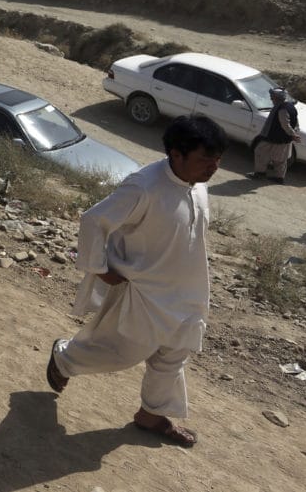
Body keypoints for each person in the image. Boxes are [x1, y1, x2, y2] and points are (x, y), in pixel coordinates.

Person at [46, 115, 227, 449]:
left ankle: (151, 415)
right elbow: (94, 220)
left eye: (217, 160)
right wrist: (99, 268)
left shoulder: (198, 184)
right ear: (176, 154)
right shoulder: (143, 186)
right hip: (147, 293)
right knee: (123, 354)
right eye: (205, 159)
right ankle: (63, 358)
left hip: (189, 291)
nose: (213, 168)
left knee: (174, 357)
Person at [248, 87, 300, 184]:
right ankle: (279, 177)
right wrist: (295, 133)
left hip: (274, 138)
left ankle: (260, 173)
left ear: (277, 98)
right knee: (280, 159)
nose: (271, 99)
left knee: (260, 152)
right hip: (284, 139)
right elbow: (296, 123)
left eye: (272, 97)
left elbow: (285, 124)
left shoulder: (282, 109)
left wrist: (293, 134)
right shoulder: (290, 106)